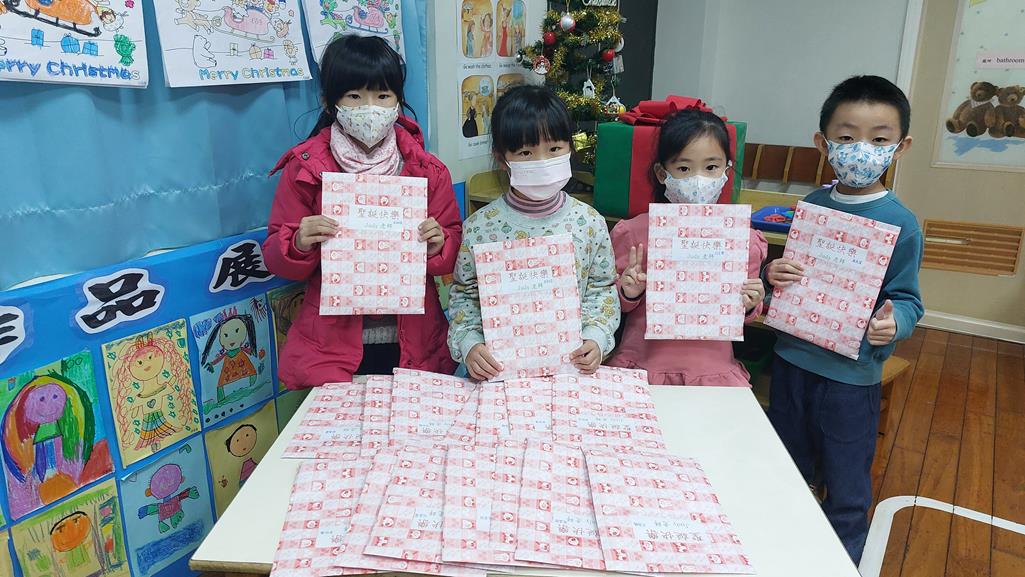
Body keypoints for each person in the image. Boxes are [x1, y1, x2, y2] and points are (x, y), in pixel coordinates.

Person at [764, 75, 924, 564]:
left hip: (851, 378)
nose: (861, 150)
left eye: (878, 139)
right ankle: (779, 548)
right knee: (784, 463)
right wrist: (774, 273)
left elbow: (907, 299)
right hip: (792, 361)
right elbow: (790, 275)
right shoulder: (812, 206)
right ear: (824, 143)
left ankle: (840, 560)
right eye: (848, 136)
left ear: (900, 147)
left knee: (846, 480)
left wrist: (894, 322)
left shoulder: (902, 223)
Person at [264, 35, 462, 387]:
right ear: (329, 102)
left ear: (398, 101)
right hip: (333, 345)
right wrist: (298, 242)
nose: (370, 107)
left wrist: (439, 244)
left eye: (383, 96)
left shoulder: (427, 170)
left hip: (414, 339)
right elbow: (276, 256)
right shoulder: (305, 169)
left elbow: (452, 251)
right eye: (354, 96)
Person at [447, 85, 620, 380]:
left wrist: (596, 337)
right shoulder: (480, 227)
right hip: (498, 374)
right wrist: (470, 345)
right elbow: (465, 296)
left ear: (570, 147)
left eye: (554, 149)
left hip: (569, 370)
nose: (542, 162)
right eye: (526, 152)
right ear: (502, 159)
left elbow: (601, 288)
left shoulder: (589, 222)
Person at [606, 109, 767, 385]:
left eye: (711, 167)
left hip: (712, 368)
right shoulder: (634, 233)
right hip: (644, 363)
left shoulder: (741, 240)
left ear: (726, 171)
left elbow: (746, 312)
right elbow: (611, 302)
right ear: (662, 173)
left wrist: (751, 303)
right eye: (683, 169)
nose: (698, 179)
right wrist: (628, 293)